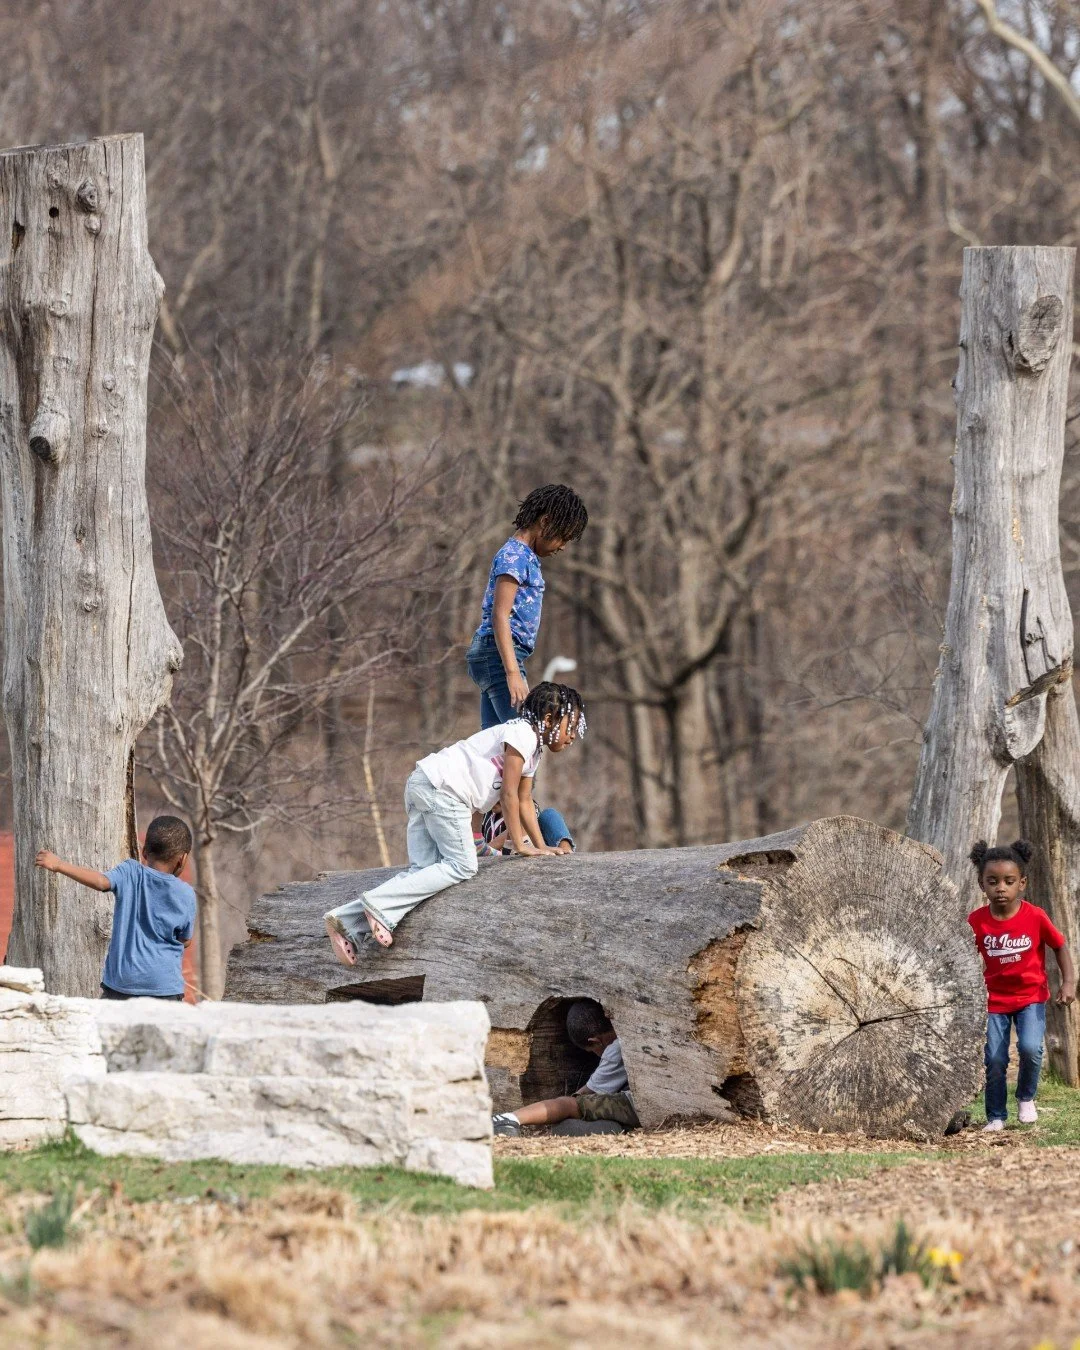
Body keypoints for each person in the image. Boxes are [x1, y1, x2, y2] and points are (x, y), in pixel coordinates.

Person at [324, 683, 587, 960]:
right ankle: (377, 905)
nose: (572, 737)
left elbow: (523, 800)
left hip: (424, 782)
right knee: (462, 865)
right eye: (571, 727)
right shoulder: (522, 734)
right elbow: (509, 794)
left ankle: (345, 920)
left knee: (425, 871)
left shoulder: (532, 751)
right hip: (445, 792)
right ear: (548, 719)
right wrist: (522, 845)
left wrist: (541, 846)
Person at [466, 486, 587, 855]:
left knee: (495, 747)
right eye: (562, 537)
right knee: (529, 733)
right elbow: (500, 616)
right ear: (544, 521)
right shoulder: (514, 555)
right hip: (499, 656)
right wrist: (513, 672)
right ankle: (519, 834)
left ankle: (491, 832)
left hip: (496, 656)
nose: (563, 546)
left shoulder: (523, 556)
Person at [967, 838, 1076, 1132]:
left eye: (1008, 881)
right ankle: (996, 1116)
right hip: (994, 1002)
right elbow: (958, 955)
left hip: (1030, 998)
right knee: (995, 1058)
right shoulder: (975, 922)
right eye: (993, 881)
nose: (1001, 887)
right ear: (982, 885)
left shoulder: (1035, 917)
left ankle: (1026, 1097)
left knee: (1030, 1048)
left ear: (1022, 883)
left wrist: (1068, 982)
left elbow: (1060, 945)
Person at [34, 816, 196, 1001]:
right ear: (182, 859)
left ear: (144, 852)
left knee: (107, 1029)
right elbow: (185, 939)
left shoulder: (131, 872)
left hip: (122, 987)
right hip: (165, 988)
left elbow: (101, 882)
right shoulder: (186, 894)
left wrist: (58, 864)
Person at [492, 999, 640, 1137]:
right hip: (638, 1111)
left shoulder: (614, 1050)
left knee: (567, 1106)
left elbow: (587, 1092)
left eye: (592, 1050)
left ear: (595, 1041)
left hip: (633, 1107)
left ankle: (508, 1119)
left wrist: (566, 1103)